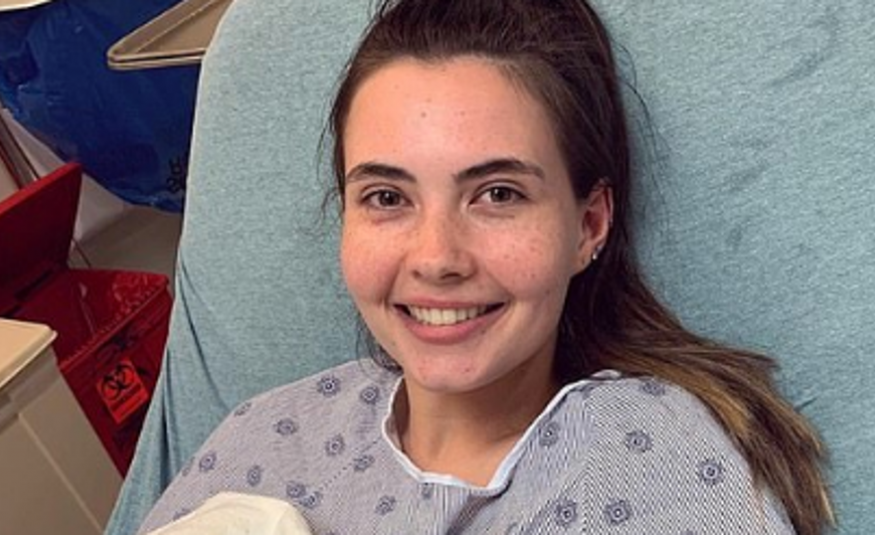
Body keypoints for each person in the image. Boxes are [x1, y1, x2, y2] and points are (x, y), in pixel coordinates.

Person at [137, 0, 832, 533]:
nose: (436, 258)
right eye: (386, 197)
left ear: (588, 225)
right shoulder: (267, 438)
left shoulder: (654, 462)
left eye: (497, 194)